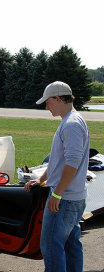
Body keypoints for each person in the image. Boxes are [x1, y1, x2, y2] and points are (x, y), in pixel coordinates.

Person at [25, 81, 89, 272]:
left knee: (52, 247)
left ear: (58, 98)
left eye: (48, 102)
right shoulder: (72, 120)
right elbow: (58, 160)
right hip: (73, 197)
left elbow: (72, 163)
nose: (47, 106)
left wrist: (57, 194)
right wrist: (42, 179)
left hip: (65, 198)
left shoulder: (71, 124)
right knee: (70, 244)